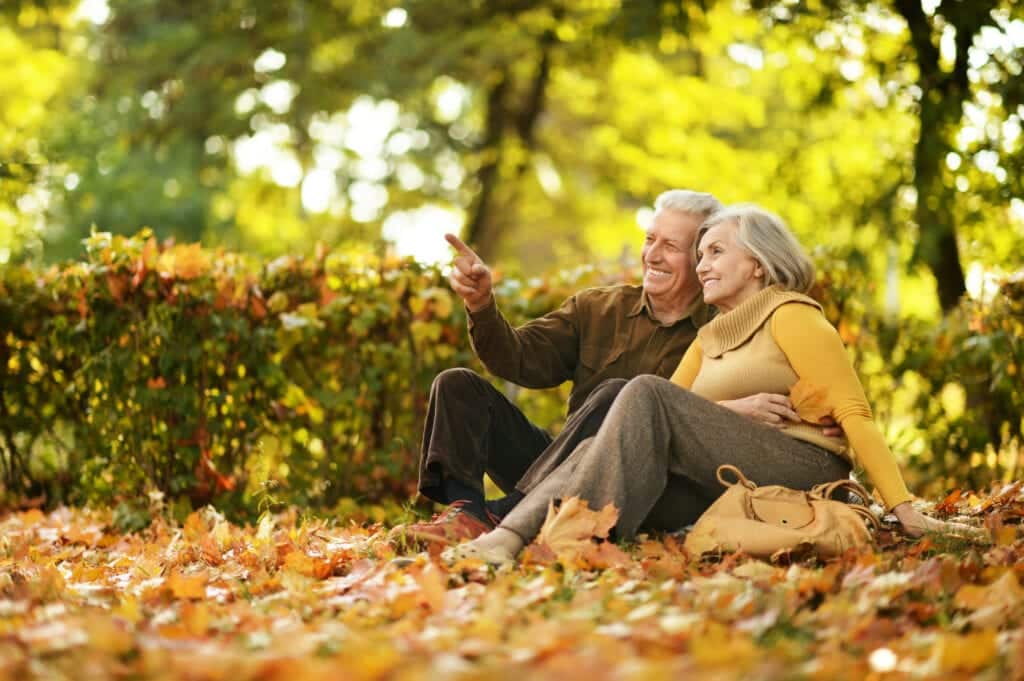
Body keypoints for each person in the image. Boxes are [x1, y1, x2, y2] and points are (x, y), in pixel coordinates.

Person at [448, 204, 943, 564]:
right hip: (727, 475)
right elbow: (673, 411)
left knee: (637, 390)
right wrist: (733, 409)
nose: (702, 264)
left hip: (801, 464)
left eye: (716, 251)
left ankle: (560, 544)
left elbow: (855, 413)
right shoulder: (707, 338)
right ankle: (508, 539)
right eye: (701, 253)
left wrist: (903, 509)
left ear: (757, 263)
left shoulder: (790, 315)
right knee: (602, 439)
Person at [392, 190, 723, 547]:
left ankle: (508, 514)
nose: (652, 255)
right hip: (559, 473)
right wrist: (481, 304)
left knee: (621, 395)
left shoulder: (723, 329)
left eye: (670, 246)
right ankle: (468, 515)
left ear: (700, 258)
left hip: (642, 491)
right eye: (649, 239)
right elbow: (518, 358)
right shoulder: (598, 307)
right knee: (457, 384)